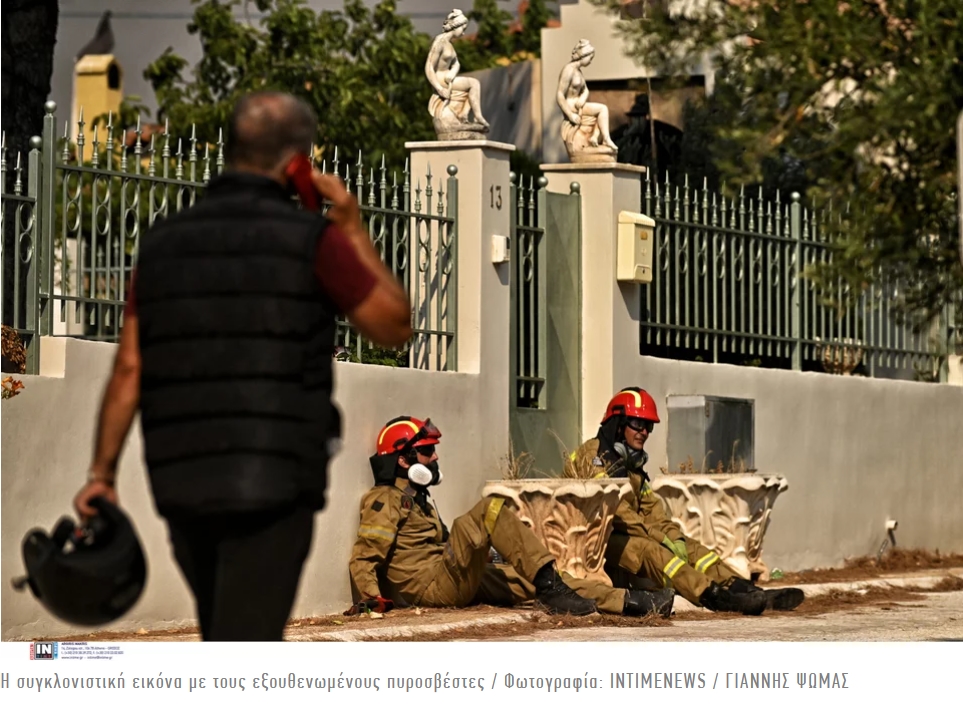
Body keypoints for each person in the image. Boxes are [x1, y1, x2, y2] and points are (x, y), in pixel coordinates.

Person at [72, 91, 414, 641]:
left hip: (181, 479)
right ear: (298, 164)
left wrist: (101, 476)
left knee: (225, 631)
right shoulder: (313, 243)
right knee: (247, 643)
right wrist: (350, 226)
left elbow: (130, 369)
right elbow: (395, 325)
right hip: (273, 482)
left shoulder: (163, 244)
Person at [347, 416, 676, 619]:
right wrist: (370, 599)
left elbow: (440, 545)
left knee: (544, 581)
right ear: (404, 460)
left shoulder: (418, 499)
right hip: (432, 587)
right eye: (427, 451)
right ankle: (553, 589)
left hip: (450, 575)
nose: (434, 458)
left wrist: (493, 553)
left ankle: (633, 602)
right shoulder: (383, 499)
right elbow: (365, 556)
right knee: (485, 510)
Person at [563, 388, 806, 616]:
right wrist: (661, 538)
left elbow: (654, 512)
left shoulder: (633, 467)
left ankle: (745, 590)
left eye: (648, 426)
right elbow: (617, 512)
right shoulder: (593, 457)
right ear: (617, 425)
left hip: (630, 536)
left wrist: (673, 536)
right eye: (638, 424)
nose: (644, 432)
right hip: (599, 542)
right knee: (652, 551)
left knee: (691, 548)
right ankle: (713, 596)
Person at [425, 9, 490, 131]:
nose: (464, 33)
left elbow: (456, 64)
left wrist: (453, 72)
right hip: (440, 79)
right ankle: (477, 116)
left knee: (473, 84)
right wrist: (439, 88)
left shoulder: (449, 44)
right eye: (463, 29)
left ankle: (464, 114)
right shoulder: (440, 42)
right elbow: (429, 67)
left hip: (447, 77)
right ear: (456, 26)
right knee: (474, 83)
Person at [556, 39, 618, 155]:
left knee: (602, 110)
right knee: (602, 109)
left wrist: (583, 98)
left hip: (579, 105)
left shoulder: (578, 71)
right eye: (590, 58)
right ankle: (601, 138)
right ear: (584, 55)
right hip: (572, 109)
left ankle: (601, 138)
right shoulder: (568, 70)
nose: (590, 62)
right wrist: (570, 115)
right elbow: (560, 95)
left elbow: (586, 90)